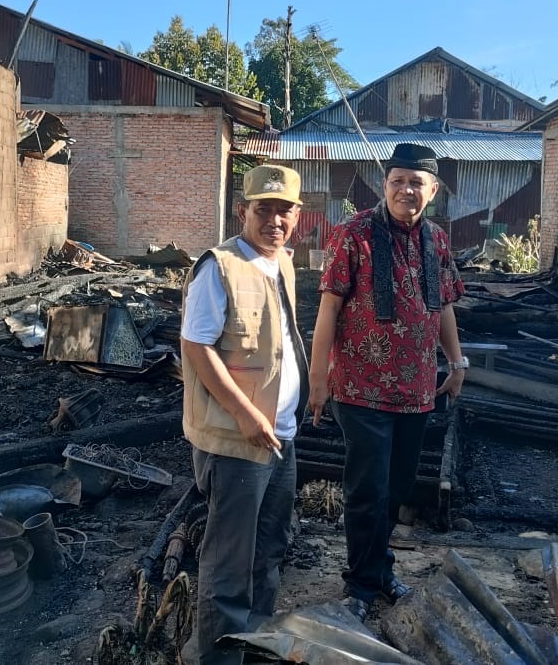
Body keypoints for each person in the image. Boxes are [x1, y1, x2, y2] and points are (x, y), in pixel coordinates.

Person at [308, 143, 467, 622]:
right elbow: (329, 307)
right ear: (385, 185)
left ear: (433, 191)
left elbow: (443, 306)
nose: (406, 190)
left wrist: (456, 363)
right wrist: (317, 379)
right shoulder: (354, 233)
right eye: (398, 181)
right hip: (360, 388)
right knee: (367, 489)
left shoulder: (436, 240)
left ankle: (380, 570)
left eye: (416, 182)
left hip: (417, 390)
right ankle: (360, 584)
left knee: (397, 487)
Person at [180, 164, 309, 665]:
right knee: (229, 564)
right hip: (237, 441)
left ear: (297, 216)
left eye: (284, 211)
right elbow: (197, 346)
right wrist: (246, 416)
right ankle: (218, 658)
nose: (274, 220)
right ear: (243, 211)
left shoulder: (283, 264)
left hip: (280, 436)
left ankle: (253, 646)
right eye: (263, 210)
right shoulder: (220, 267)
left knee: (269, 550)